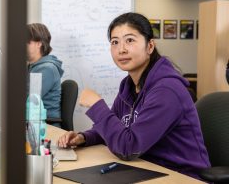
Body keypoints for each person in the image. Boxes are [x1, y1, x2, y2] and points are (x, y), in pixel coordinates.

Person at [57, 13, 210, 180]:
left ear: (150, 46)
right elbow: (115, 129)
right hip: (145, 168)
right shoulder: (129, 86)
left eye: (129, 40)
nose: (121, 49)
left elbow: (128, 147)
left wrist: (97, 106)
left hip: (181, 176)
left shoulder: (167, 91)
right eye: (115, 42)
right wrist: (83, 137)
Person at [27, 23, 64, 124]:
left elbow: (29, 99)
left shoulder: (47, 69)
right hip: (33, 122)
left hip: (46, 126)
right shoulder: (32, 67)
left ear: (39, 44)